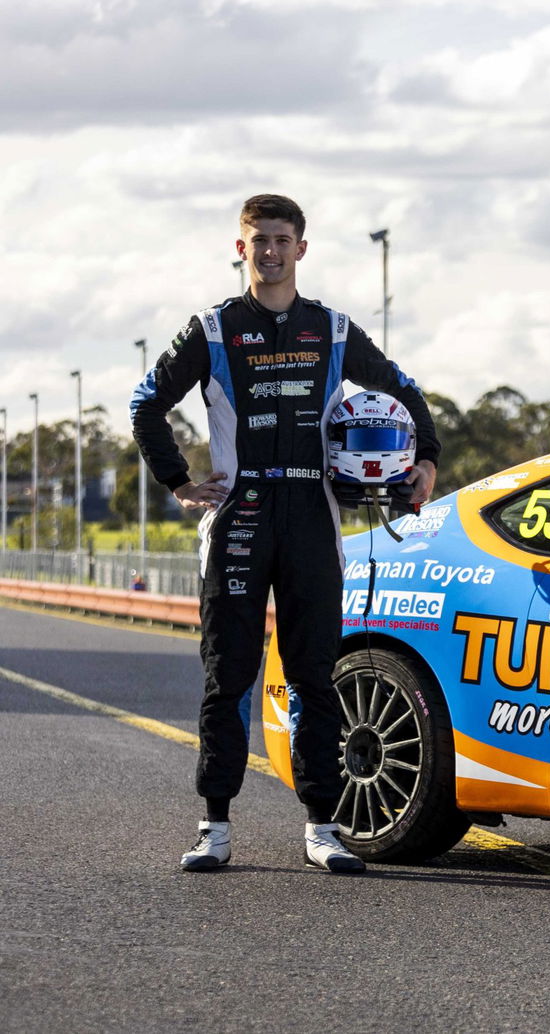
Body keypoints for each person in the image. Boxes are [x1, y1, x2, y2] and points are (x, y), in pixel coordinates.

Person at [131, 194, 440, 873]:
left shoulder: (331, 328)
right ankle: (214, 825)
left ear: (302, 248)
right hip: (237, 513)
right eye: (257, 240)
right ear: (239, 248)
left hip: (311, 510)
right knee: (228, 675)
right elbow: (146, 402)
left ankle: (322, 827)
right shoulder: (212, 329)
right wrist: (178, 480)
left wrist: (427, 458)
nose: (269, 251)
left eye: (281, 240)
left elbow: (404, 388)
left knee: (315, 675)